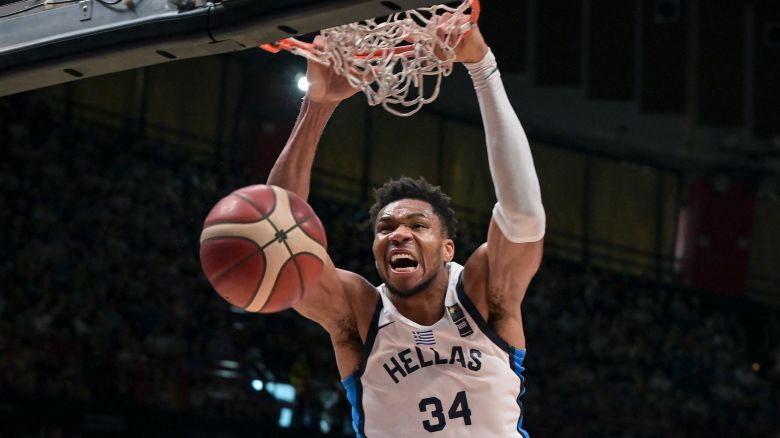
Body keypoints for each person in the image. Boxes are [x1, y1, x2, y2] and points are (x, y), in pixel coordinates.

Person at [266, 21, 545, 438]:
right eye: (386, 227)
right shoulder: (358, 311)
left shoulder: (483, 291)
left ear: (448, 248)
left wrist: (482, 68)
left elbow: (523, 215)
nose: (399, 234)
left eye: (418, 225)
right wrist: (318, 105)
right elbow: (278, 244)